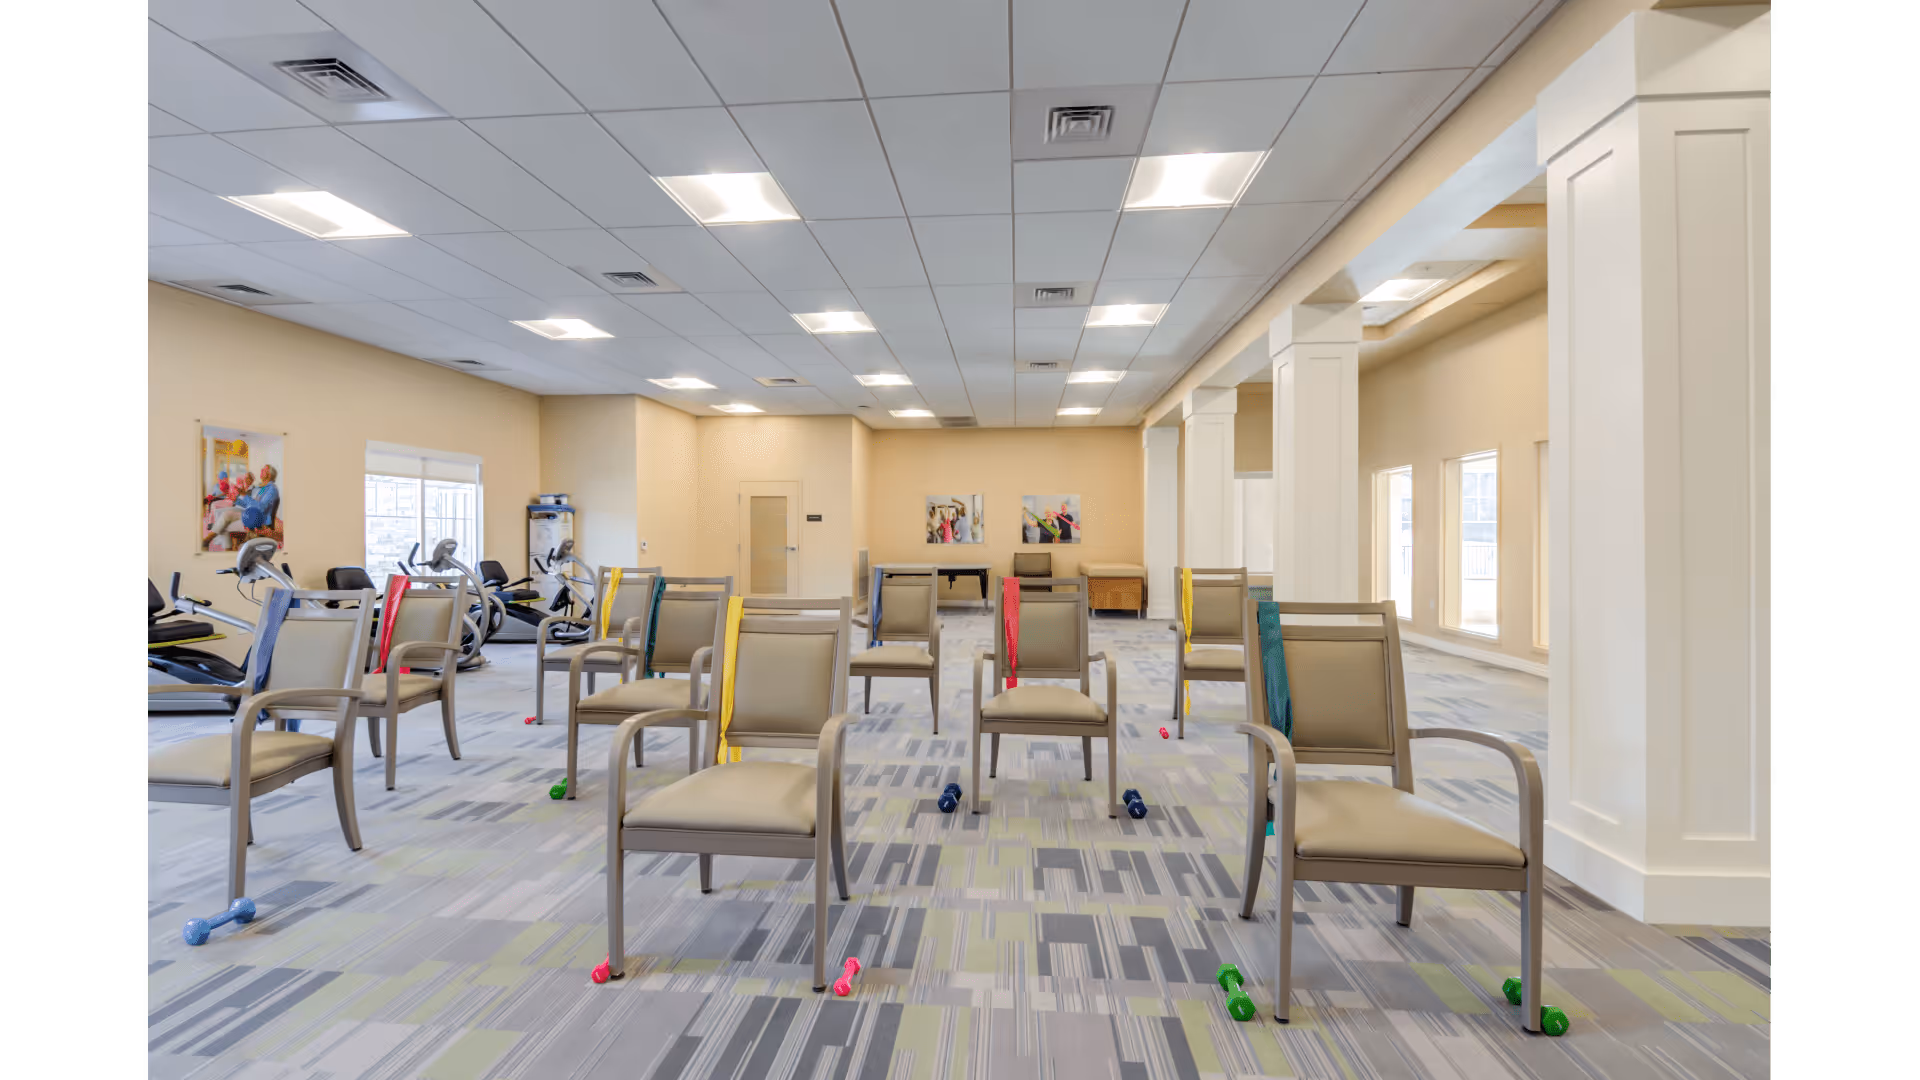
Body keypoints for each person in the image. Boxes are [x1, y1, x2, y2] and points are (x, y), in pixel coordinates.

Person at [203, 465, 281, 545]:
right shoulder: (261, 487)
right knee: (221, 514)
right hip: (251, 513)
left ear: (269, 475)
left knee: (225, 520)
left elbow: (260, 508)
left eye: (264, 470)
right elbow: (249, 505)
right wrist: (236, 500)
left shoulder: (271, 489)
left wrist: (244, 495)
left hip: (258, 520)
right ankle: (221, 544)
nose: (261, 470)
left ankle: (211, 540)